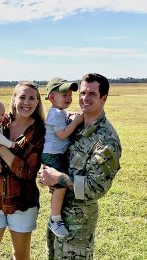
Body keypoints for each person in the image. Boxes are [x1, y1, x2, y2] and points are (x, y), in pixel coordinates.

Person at [38, 73, 122, 260]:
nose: (85, 98)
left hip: (78, 226)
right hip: (58, 219)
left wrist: (58, 179)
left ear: (104, 98)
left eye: (92, 93)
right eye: (82, 93)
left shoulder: (106, 140)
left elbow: (95, 188)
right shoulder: (76, 126)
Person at [0, 81, 46, 260]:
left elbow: (26, 172)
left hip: (22, 204)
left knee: (20, 256)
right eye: (22, 97)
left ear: (37, 102)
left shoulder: (39, 132)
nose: (26, 102)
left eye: (31, 98)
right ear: (14, 99)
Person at [42, 78, 84, 238]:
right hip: (52, 154)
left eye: (70, 95)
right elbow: (63, 134)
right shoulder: (56, 114)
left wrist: (71, 115)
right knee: (60, 184)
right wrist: (77, 120)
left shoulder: (59, 112)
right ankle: (55, 219)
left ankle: (56, 214)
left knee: (58, 184)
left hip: (54, 153)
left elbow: (65, 118)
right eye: (64, 95)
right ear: (52, 97)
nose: (69, 98)